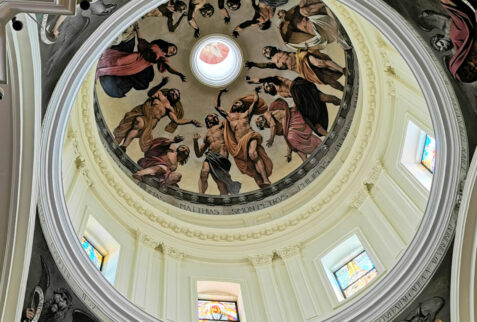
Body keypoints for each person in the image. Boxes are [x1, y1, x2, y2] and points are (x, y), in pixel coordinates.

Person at [113, 78, 201, 152]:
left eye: (176, 95)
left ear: (177, 99)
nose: (175, 93)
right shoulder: (160, 95)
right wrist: (161, 84)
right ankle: (117, 145)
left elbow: (176, 121)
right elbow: (150, 93)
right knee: (127, 128)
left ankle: (124, 146)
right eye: (173, 91)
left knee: (138, 125)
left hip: (151, 121)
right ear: (169, 91)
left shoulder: (170, 108)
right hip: (142, 112)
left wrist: (191, 121)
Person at [97, 26, 187, 98]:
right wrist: (138, 30)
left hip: (138, 66)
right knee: (118, 61)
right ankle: (101, 61)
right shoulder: (156, 45)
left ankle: (101, 70)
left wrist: (179, 74)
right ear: (170, 45)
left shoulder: (162, 58)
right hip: (136, 56)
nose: (172, 52)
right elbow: (142, 42)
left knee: (118, 66)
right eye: (173, 49)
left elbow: (169, 68)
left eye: (173, 53)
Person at [215, 87, 273, 188]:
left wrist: (255, 91)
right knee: (250, 165)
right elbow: (217, 106)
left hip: (250, 136)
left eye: (239, 102)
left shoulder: (246, 114)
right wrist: (219, 92)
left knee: (253, 154)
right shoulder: (229, 116)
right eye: (235, 102)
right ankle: (261, 183)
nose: (236, 103)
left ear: (243, 105)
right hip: (240, 143)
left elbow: (255, 101)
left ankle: (266, 179)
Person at [246, 45, 345, 90]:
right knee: (326, 79)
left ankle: (342, 69)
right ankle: (344, 90)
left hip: (301, 57)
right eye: (265, 53)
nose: (267, 51)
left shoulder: (280, 51)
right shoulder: (274, 63)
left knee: (319, 62)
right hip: (300, 69)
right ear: (267, 57)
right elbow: (264, 66)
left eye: (266, 49)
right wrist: (254, 64)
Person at [255, 98, 321, 162]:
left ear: (261, 116)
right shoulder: (278, 128)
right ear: (262, 127)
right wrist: (289, 153)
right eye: (257, 124)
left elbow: (273, 125)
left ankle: (317, 147)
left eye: (258, 119)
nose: (258, 122)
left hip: (293, 117)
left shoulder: (267, 114)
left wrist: (271, 139)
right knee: (292, 142)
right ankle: (305, 158)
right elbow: (286, 137)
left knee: (292, 138)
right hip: (291, 124)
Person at [193, 114, 241, 194]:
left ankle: (224, 198)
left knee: (220, 182)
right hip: (210, 156)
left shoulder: (222, 126)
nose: (213, 117)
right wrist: (195, 142)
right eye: (210, 116)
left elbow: (230, 120)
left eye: (214, 116)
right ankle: (201, 194)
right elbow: (199, 154)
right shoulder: (206, 136)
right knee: (204, 171)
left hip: (221, 157)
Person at [439, 0, 477, 82]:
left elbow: (458, 12)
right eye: (475, 70)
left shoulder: (459, 38)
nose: (475, 64)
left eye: (471, 66)